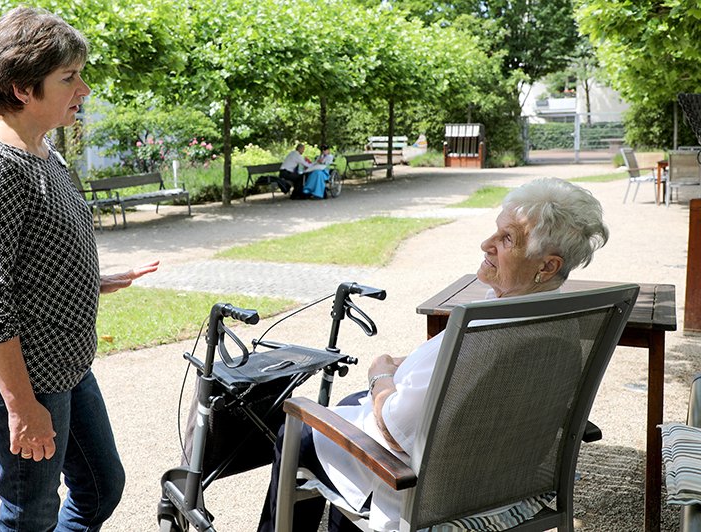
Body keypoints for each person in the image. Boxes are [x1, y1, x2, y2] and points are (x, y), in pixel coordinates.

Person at [258, 177, 610, 532]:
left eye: (507, 239)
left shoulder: (489, 333)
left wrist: (380, 373)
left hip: (431, 491)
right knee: (351, 404)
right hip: (502, 477)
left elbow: (394, 429)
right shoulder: (562, 318)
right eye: (496, 231)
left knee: (297, 428)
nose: (486, 244)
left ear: (547, 266)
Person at [0, 8, 159, 531]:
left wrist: (95, 280)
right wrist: (22, 408)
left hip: (64, 366)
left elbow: (34, 259)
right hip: (22, 381)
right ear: (22, 88)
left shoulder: (43, 149)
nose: (83, 89)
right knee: (30, 513)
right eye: (68, 77)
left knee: (101, 485)